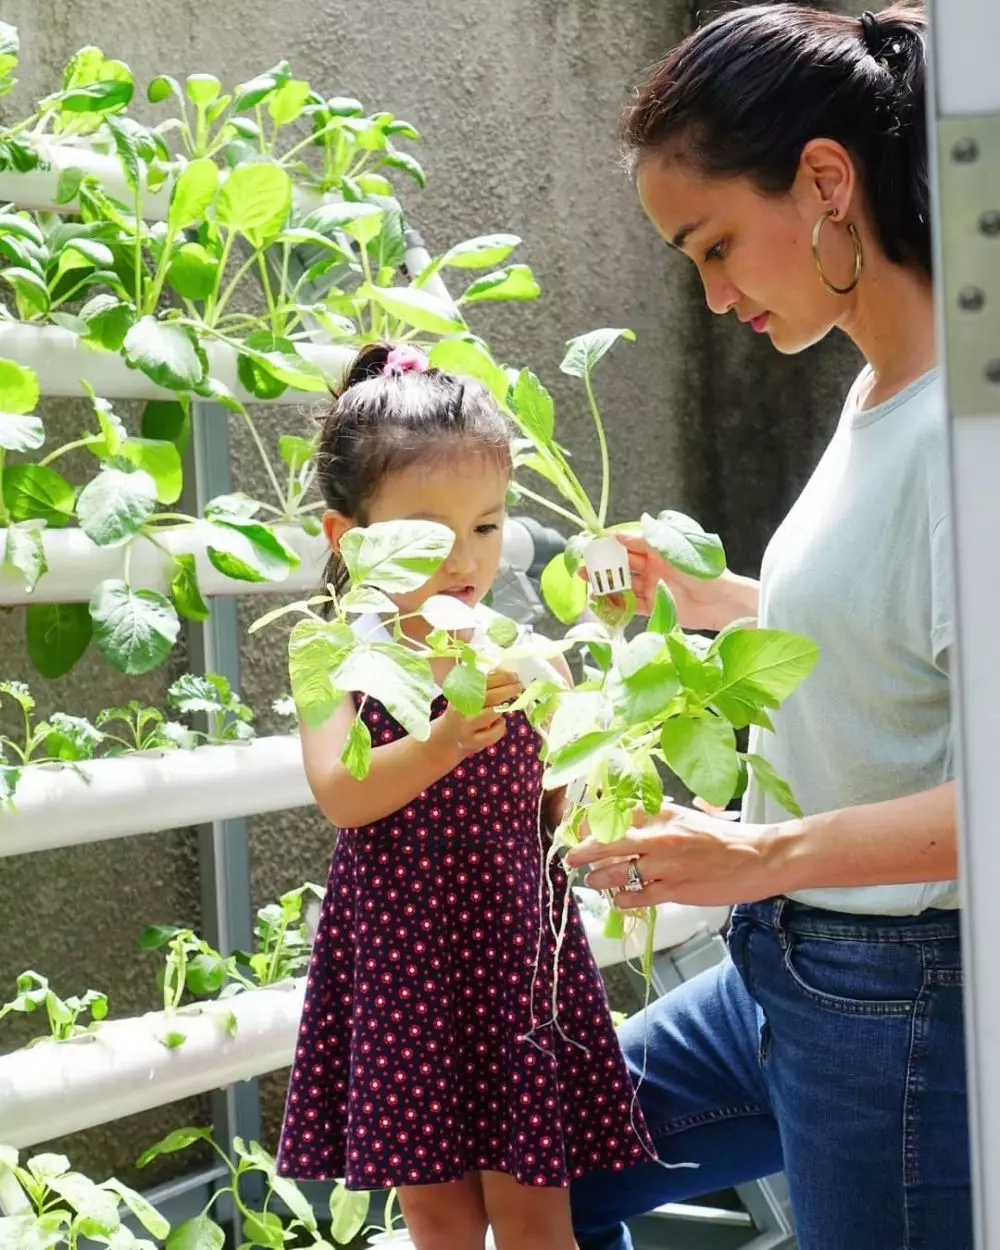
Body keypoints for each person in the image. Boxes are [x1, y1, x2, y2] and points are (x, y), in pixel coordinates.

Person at [565, 4, 969, 1249]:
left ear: (826, 180)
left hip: (904, 996)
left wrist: (760, 851)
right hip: (783, 968)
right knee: (532, 1165)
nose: (710, 291)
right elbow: (903, 639)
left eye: (717, 243)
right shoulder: (872, 389)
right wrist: (718, 604)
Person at [276, 343, 653, 1250]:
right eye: (428, 534)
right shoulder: (336, 653)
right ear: (347, 540)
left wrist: (598, 749)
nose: (464, 561)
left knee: (535, 1212)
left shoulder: (528, 654)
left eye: (485, 529)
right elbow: (341, 794)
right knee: (438, 1216)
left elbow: (556, 809)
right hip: (406, 955)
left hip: (513, 946)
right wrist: (447, 735)